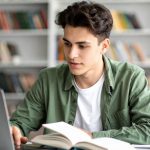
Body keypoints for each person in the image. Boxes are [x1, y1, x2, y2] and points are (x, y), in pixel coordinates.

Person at [10, 0, 150, 147]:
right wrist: (15, 128)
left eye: (82, 46)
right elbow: (20, 121)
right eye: (67, 44)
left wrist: (92, 137)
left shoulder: (131, 77)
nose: (71, 54)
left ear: (104, 46)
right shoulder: (48, 79)